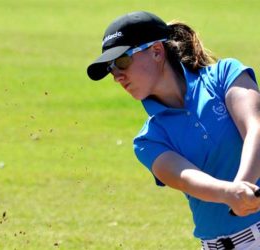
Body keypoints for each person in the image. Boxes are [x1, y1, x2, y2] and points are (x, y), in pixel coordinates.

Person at [87, 11, 260, 249]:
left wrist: (243, 186)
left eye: (122, 61)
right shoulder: (148, 140)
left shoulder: (224, 75)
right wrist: (231, 193)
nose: (117, 75)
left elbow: (255, 128)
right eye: (110, 68)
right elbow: (186, 178)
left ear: (157, 51)